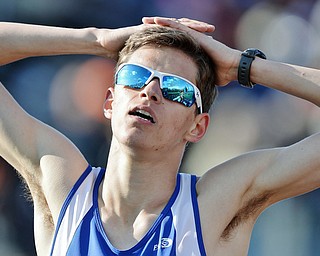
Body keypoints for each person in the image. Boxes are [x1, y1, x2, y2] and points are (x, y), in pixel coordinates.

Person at [0, 17, 319, 256]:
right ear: (110, 101)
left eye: (176, 90)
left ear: (198, 126)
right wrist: (97, 39)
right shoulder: (62, 187)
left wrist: (241, 65)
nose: (150, 91)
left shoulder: (214, 206)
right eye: (135, 77)